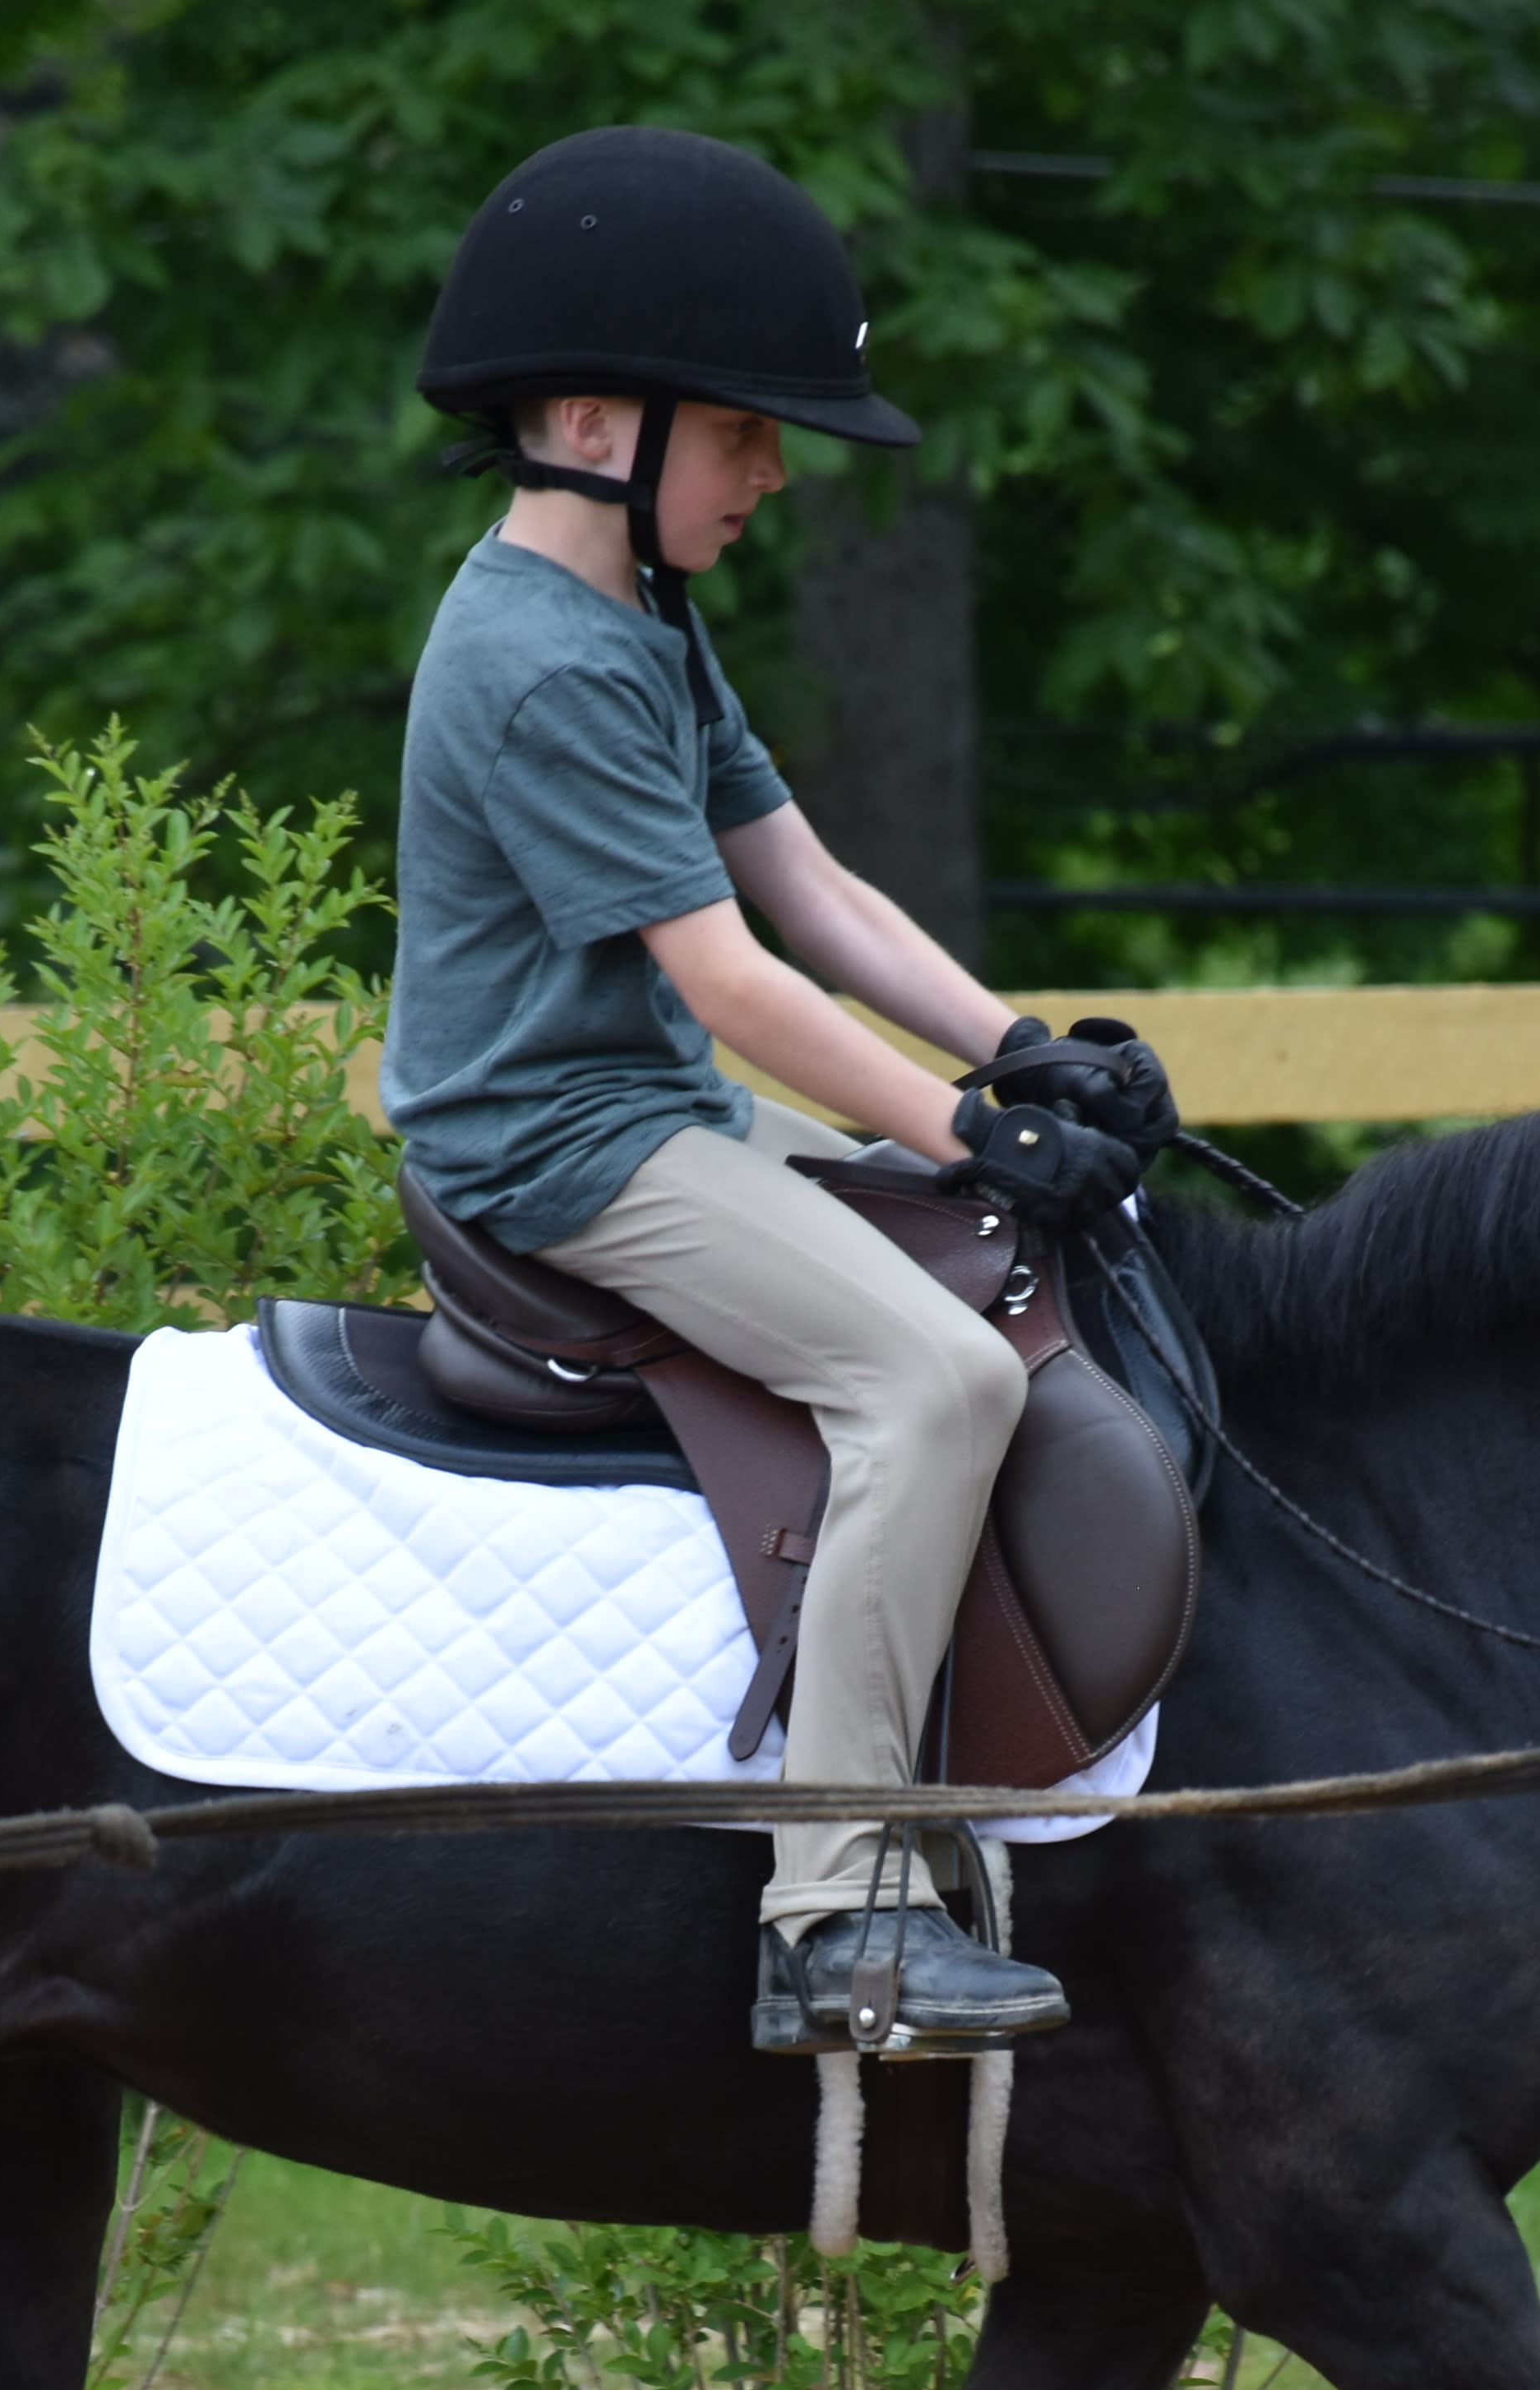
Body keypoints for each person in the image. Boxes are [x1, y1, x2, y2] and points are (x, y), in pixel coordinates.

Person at [388, 123, 1168, 2056]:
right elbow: (730, 979)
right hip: (559, 1148)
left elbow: (812, 889)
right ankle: (839, 1915)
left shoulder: (645, 614)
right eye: (745, 432)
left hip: (650, 1104)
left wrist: (1019, 1051)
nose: (777, 471)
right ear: (596, 423)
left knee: (1022, 1248)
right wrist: (967, 1126)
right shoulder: (540, 659)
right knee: (937, 1379)